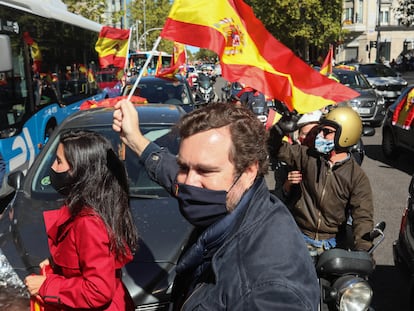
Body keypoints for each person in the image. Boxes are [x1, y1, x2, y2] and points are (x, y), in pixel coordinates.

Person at [112, 101, 319, 310]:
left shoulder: (266, 289)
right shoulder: (236, 199)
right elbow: (175, 172)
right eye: (183, 166)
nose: (186, 183)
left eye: (205, 171)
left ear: (248, 172)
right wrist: (136, 140)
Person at [24, 130, 138, 310]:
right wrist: (56, 262)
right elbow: (80, 257)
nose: (53, 167)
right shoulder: (87, 206)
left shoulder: (89, 222)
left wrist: (46, 286)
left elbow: (98, 291)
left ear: (80, 170)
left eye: (59, 161)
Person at [269, 106, 374, 253]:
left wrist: (364, 250)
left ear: (345, 136)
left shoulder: (356, 177)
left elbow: (363, 217)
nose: (320, 135)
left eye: (327, 132)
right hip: (300, 238)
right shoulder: (307, 156)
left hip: (333, 245)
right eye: (320, 130)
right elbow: (275, 149)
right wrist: (278, 130)